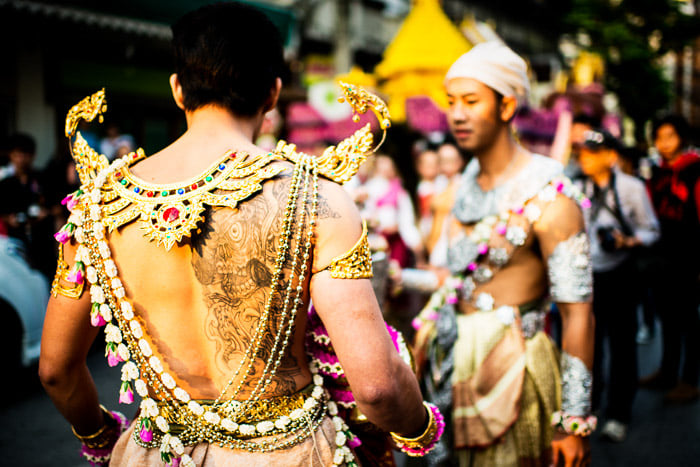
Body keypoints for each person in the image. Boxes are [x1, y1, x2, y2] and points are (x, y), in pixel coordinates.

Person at [39, 4, 441, 466]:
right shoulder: (315, 196)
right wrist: (422, 428)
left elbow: (56, 371)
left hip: (155, 455)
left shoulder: (94, 206)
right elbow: (377, 386)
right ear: (272, 93)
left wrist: (100, 435)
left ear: (176, 89)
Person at [409, 41, 596, 466]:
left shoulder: (551, 196)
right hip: (450, 365)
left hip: (516, 370)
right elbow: (457, 279)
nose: (456, 113)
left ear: (507, 106)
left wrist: (573, 420)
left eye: (471, 101)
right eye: (451, 101)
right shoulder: (460, 190)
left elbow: (578, 312)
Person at [575, 129, 659, 442]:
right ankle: (591, 405)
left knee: (622, 346)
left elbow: (651, 230)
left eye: (593, 152)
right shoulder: (574, 186)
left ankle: (619, 414)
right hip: (587, 275)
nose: (585, 157)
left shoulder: (631, 187)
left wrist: (628, 240)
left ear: (611, 157)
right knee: (588, 344)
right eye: (582, 151)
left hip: (621, 273)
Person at [640, 114, 700, 403]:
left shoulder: (695, 170)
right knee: (668, 318)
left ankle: (689, 380)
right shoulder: (657, 172)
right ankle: (667, 371)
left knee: (689, 321)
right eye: (659, 137)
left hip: (689, 258)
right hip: (662, 257)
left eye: (670, 137)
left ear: (682, 138)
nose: (664, 144)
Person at [425, 142, 465, 267]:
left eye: (449, 160)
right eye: (441, 161)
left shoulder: (462, 184)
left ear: (459, 162)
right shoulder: (437, 183)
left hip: (452, 238)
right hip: (435, 236)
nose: (445, 165)